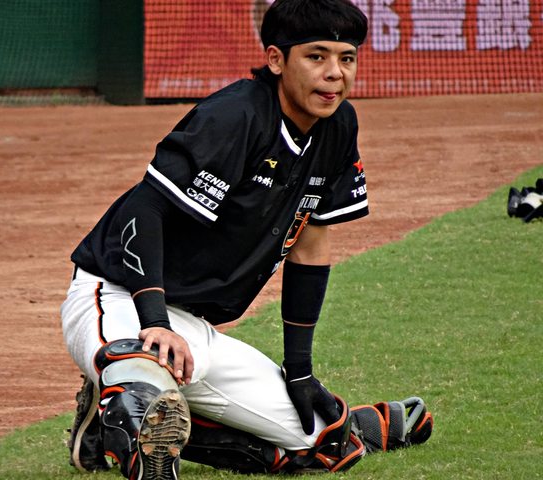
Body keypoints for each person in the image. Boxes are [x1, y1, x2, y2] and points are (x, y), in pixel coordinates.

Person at [61, 0, 433, 478]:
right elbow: (144, 209)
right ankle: (127, 415)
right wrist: (155, 321)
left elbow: (309, 246)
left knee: (323, 443)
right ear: (276, 60)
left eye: (347, 58)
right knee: (141, 381)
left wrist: (299, 368)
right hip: (120, 297)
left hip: (194, 328)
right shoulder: (235, 116)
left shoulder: (338, 127)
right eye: (316, 56)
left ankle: (109, 424)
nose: (335, 73)